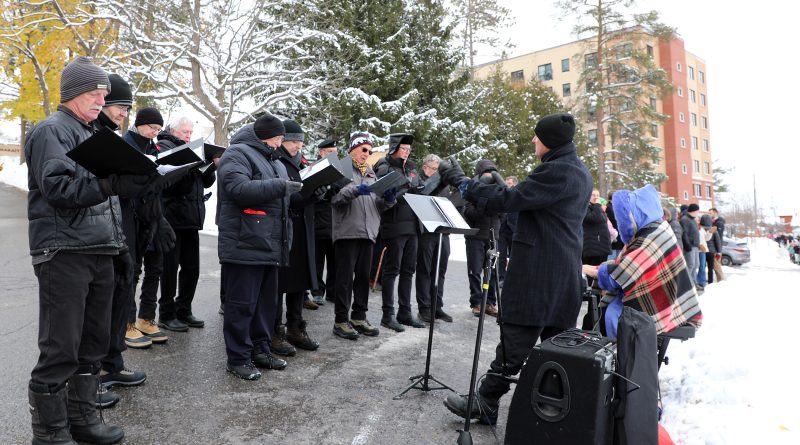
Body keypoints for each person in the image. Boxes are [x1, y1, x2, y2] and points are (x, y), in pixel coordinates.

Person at [24, 56, 155, 444]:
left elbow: (105, 194)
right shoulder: (53, 131)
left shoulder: (90, 132)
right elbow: (59, 189)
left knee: (91, 343)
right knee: (60, 345)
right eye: (95, 94)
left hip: (100, 248)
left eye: (104, 95)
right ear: (74, 94)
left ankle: (80, 420)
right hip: (63, 250)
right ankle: (49, 433)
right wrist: (111, 183)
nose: (102, 101)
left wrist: (120, 244)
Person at [440, 113, 592, 425]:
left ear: (549, 140)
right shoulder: (574, 169)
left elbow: (509, 199)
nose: (534, 141)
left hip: (541, 273)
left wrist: (463, 183)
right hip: (559, 270)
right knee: (555, 346)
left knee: (517, 336)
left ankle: (487, 400)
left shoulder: (559, 170)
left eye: (538, 136)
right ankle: (551, 411)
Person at [217, 113, 299, 380]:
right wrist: (280, 186)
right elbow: (237, 188)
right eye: (277, 138)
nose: (279, 144)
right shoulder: (237, 153)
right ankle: (238, 358)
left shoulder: (273, 161)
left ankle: (261, 350)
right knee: (241, 305)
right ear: (264, 136)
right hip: (244, 242)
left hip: (268, 244)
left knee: (265, 304)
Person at [581, 184, 702, 339]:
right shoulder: (655, 228)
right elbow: (627, 265)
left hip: (662, 306)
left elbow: (623, 274)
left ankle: (619, 354)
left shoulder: (651, 237)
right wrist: (599, 268)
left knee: (609, 316)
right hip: (672, 300)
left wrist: (594, 271)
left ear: (635, 214)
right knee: (598, 315)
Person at [95, 74, 147, 408]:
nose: (123, 114)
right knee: (98, 306)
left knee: (121, 294)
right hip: (94, 234)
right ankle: (94, 373)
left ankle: (113, 362)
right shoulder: (92, 136)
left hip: (118, 227)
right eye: (119, 107)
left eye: (127, 108)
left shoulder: (110, 136)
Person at [330, 133, 397, 340]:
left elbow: (378, 204)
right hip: (348, 231)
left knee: (362, 278)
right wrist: (355, 190)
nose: (366, 154)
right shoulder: (340, 168)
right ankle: (341, 320)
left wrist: (389, 199)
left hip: (369, 232)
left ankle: (359, 316)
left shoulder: (370, 172)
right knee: (344, 279)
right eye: (363, 149)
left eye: (369, 151)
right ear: (352, 149)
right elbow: (335, 198)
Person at [158, 116, 218, 331]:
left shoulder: (193, 150)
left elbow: (206, 182)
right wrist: (191, 165)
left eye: (190, 133)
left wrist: (211, 165)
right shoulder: (165, 148)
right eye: (185, 132)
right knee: (169, 268)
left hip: (192, 218)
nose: (188, 136)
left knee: (192, 268)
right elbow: (170, 186)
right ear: (174, 131)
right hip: (172, 217)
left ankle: (184, 309)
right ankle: (166, 313)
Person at [122, 108, 175, 343]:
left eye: (158, 129)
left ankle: (146, 317)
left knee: (156, 267)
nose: (155, 133)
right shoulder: (126, 144)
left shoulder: (154, 147)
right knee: (131, 271)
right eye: (152, 128)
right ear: (140, 124)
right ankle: (126, 321)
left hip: (154, 213)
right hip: (131, 215)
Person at [274, 119, 321, 353]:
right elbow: (287, 196)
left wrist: (317, 191)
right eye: (294, 141)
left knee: (299, 283)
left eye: (300, 142)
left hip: (303, 228)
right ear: (282, 140)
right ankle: (275, 333)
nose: (297, 146)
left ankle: (295, 328)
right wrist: (310, 195)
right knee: (280, 283)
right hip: (285, 227)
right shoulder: (276, 160)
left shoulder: (301, 161)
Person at [373, 133, 425, 331]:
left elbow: (419, 187)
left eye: (409, 150)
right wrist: (405, 188)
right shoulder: (384, 166)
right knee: (391, 270)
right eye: (404, 149)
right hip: (394, 225)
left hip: (413, 225)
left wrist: (416, 187)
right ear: (394, 148)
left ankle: (405, 311)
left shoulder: (411, 168)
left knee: (408, 270)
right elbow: (382, 194)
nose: (407, 152)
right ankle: (388, 314)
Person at [462, 159, 505, 317]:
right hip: (475, 236)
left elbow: (504, 213)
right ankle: (476, 302)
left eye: (491, 174)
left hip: (493, 235)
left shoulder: (498, 190)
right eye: (486, 174)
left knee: (493, 271)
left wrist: (498, 206)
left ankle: (490, 303)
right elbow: (469, 214)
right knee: (475, 270)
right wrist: (483, 203)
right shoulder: (472, 189)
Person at [414, 154, 454, 323]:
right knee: (425, 270)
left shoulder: (443, 185)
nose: (439, 173)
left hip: (443, 232)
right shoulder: (418, 181)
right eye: (436, 170)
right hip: (426, 232)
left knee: (441, 270)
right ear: (425, 168)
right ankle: (424, 308)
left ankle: (437, 307)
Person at [310, 138, 339, 305]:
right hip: (320, 219)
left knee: (335, 260)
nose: (332, 155)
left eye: (334, 153)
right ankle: (317, 291)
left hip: (336, 221)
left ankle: (333, 292)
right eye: (329, 153)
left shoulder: (338, 168)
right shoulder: (315, 168)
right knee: (318, 260)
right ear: (321, 153)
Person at [582, 188, 611, 286]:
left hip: (602, 246)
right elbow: (592, 219)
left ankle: (599, 293)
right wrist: (598, 206)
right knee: (591, 273)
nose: (596, 197)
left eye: (598, 195)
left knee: (601, 271)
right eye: (593, 195)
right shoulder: (585, 207)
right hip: (592, 247)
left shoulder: (597, 208)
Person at [497, 176, 519, 287]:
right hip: (502, 230)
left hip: (514, 230)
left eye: (509, 183)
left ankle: (513, 279)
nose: (507, 185)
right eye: (506, 182)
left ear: (514, 184)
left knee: (514, 257)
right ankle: (501, 278)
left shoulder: (518, 196)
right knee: (501, 255)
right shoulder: (503, 196)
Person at [680, 203, 701, 285]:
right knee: (690, 265)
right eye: (697, 211)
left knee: (696, 264)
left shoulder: (693, 219)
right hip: (690, 246)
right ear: (693, 211)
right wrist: (687, 244)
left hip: (695, 245)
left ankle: (694, 282)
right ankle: (688, 284)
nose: (698, 212)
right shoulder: (685, 219)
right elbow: (684, 233)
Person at [701, 214, 722, 284]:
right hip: (711, 252)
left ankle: (702, 281)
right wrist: (719, 251)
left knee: (702, 267)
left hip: (703, 251)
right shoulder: (713, 230)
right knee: (711, 268)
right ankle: (710, 281)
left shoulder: (701, 229)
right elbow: (718, 241)